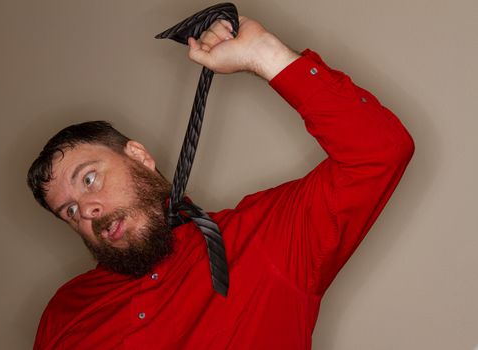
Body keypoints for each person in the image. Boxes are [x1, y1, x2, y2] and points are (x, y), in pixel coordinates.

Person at [27, 16, 414, 349]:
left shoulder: (267, 241)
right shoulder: (65, 310)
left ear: (140, 158)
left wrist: (265, 55)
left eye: (90, 179)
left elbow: (380, 152)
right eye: (70, 210)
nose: (88, 211)